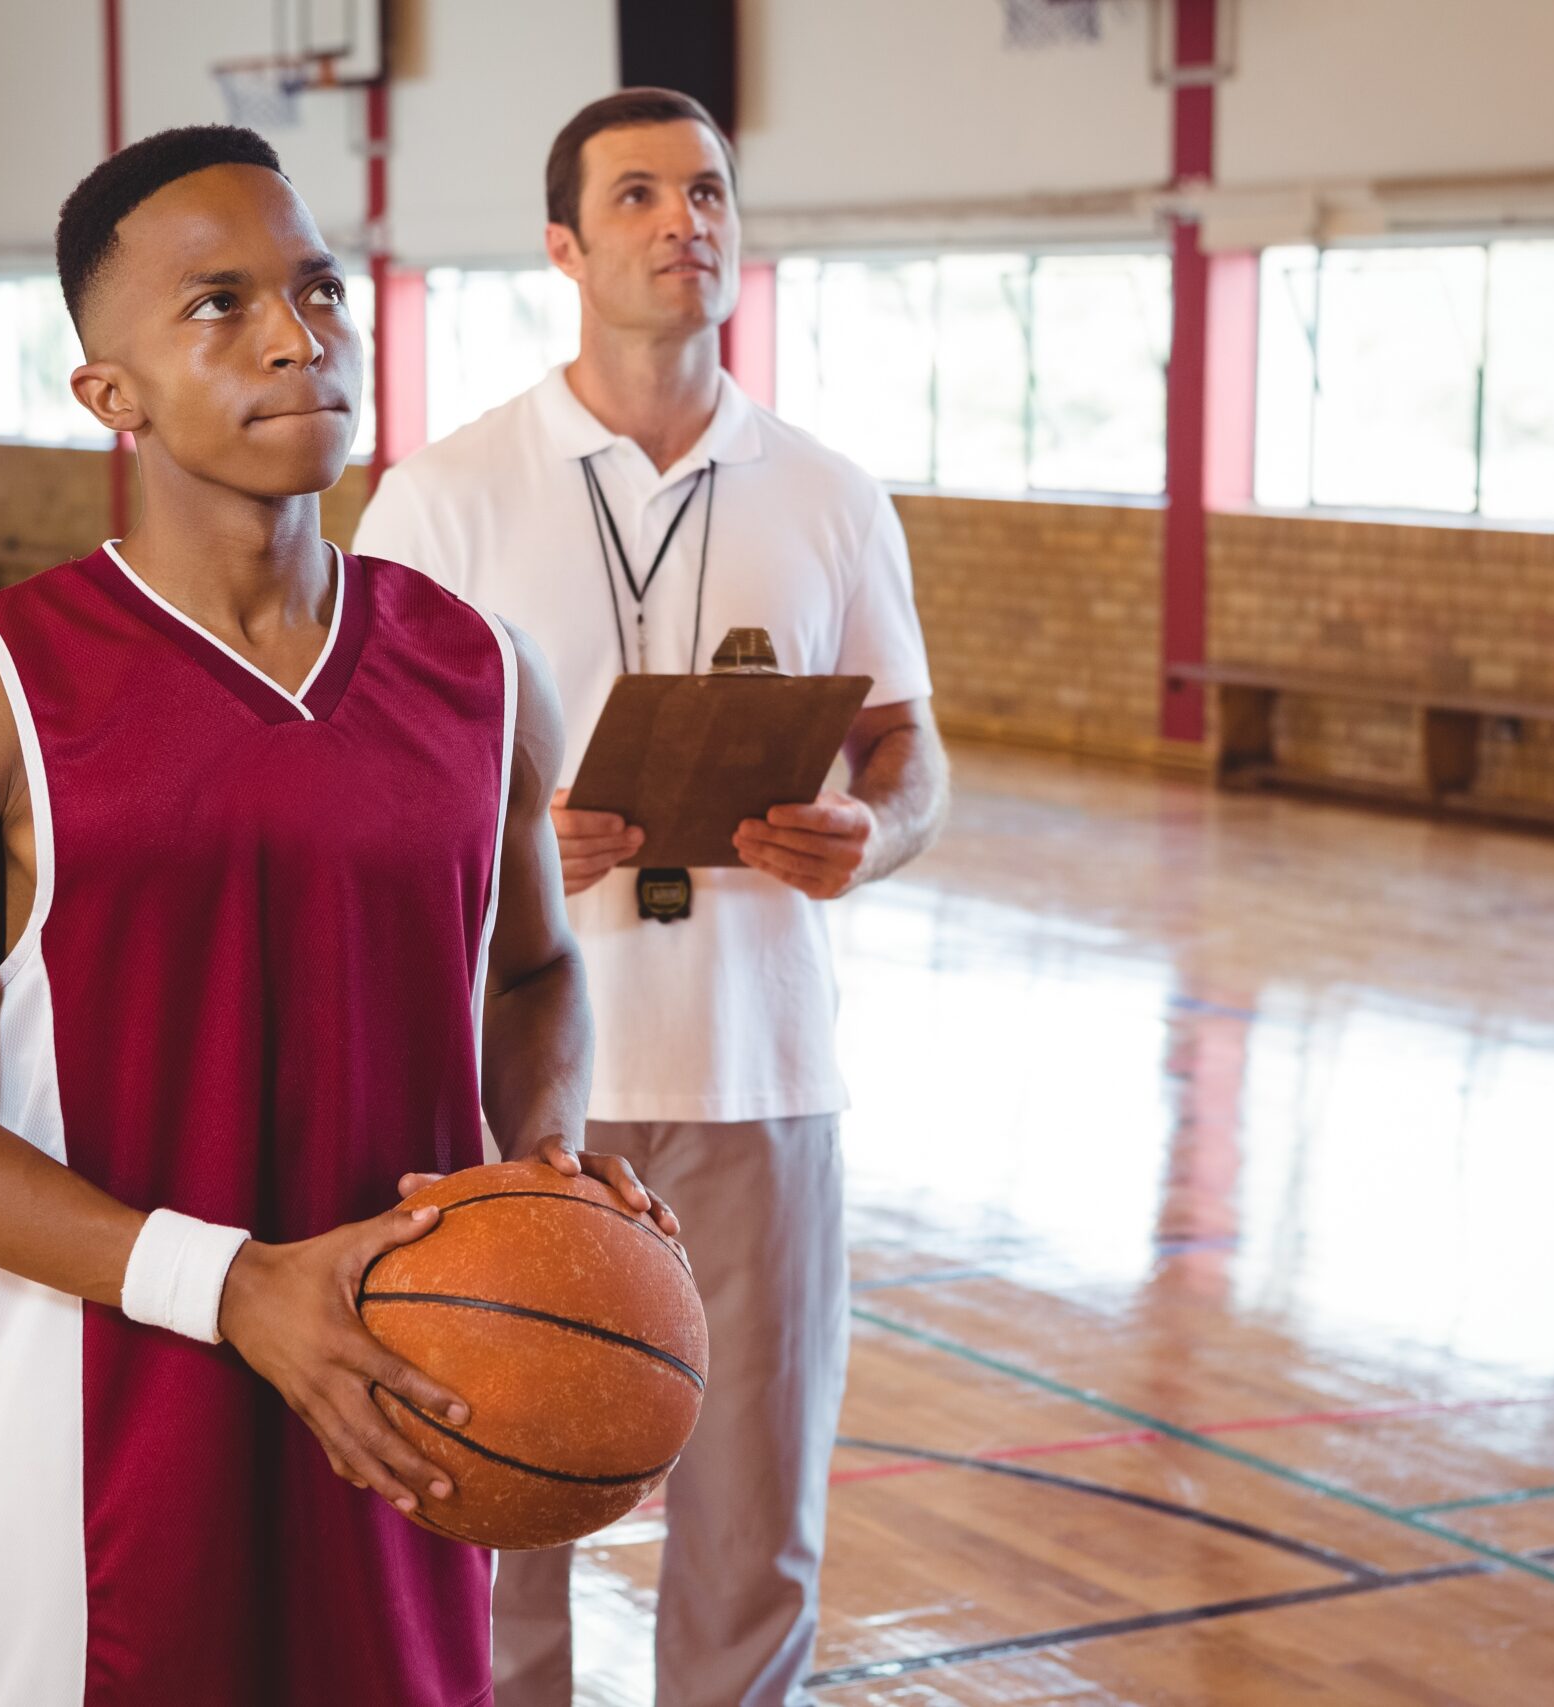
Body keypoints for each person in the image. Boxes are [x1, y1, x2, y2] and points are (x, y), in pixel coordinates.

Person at [0, 124, 672, 1706]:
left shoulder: (480, 673)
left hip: (420, 1407)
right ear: (110, 393)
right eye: (219, 303)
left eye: (318, 288)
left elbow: (540, 973)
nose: (298, 333)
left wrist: (534, 1185)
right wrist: (236, 1286)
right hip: (108, 1456)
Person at [354, 86, 951, 1707]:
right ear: (562, 243)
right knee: (496, 1510)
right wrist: (500, 842)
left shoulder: (826, 490)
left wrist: (868, 833)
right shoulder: (444, 495)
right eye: (636, 196)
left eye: (707, 192)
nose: (682, 220)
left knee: (759, 1525)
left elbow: (914, 755)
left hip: (765, 1077)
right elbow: (360, 792)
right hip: (514, 1084)